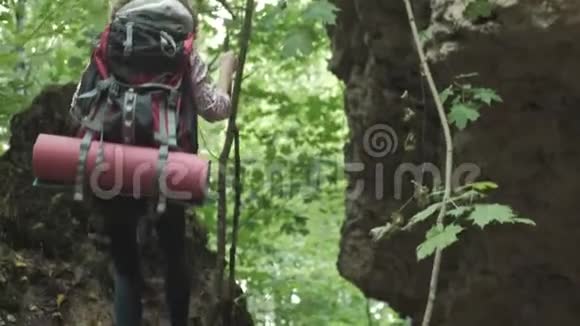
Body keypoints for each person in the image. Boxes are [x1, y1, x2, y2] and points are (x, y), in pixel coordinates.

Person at [68, 0, 237, 325]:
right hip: (167, 163)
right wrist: (227, 71)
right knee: (175, 255)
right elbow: (214, 109)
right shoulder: (182, 49)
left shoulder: (110, 40)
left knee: (124, 262)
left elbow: (79, 105)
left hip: (114, 161)